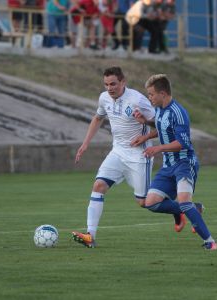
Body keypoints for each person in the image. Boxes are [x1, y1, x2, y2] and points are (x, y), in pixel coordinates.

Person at [132, 74, 217, 250]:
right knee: (151, 202)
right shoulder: (160, 110)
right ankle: (194, 209)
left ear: (163, 93)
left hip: (184, 164)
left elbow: (183, 143)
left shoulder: (178, 112)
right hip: (168, 166)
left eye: (151, 94)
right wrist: (146, 130)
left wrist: (157, 148)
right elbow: (162, 127)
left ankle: (210, 242)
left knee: (184, 202)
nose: (149, 98)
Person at [71, 66, 155, 248]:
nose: (110, 88)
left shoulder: (138, 100)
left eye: (113, 84)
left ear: (123, 82)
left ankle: (183, 209)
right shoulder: (104, 98)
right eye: (106, 84)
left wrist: (146, 135)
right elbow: (97, 118)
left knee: (144, 202)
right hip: (117, 152)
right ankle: (90, 236)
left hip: (139, 155)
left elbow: (161, 125)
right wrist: (85, 144)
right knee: (98, 185)